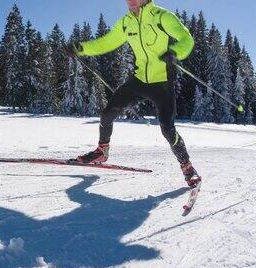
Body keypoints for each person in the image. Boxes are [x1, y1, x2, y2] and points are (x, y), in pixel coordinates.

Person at [68, 0, 201, 188]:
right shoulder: (126, 23)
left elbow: (186, 39)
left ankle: (187, 166)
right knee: (107, 114)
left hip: (162, 82)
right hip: (139, 80)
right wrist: (81, 48)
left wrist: (175, 52)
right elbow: (106, 42)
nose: (130, 1)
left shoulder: (161, 16)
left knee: (167, 127)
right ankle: (101, 151)